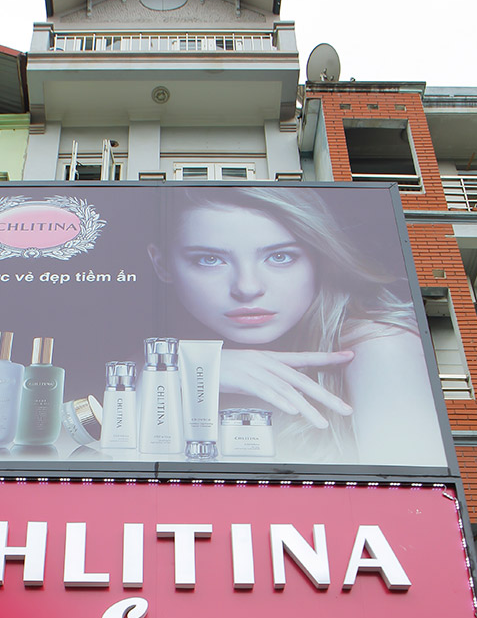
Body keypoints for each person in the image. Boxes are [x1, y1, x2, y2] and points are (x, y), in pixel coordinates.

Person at [147, 185, 445, 465]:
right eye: (210, 259)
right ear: (162, 264)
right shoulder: (160, 366)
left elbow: (415, 497)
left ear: (320, 259)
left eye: (280, 256)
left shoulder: (381, 348)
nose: (247, 288)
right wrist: (188, 372)